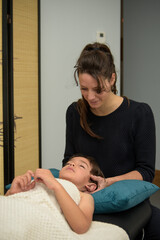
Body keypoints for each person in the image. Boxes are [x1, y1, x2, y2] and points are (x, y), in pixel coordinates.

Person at [63, 42, 160, 239]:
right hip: (84, 200)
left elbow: (146, 172)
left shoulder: (139, 114)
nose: (90, 97)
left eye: (98, 89)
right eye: (84, 89)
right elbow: (68, 159)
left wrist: (108, 182)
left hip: (124, 201)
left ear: (112, 78)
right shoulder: (75, 112)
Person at [5, 154, 104, 234]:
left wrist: (56, 186)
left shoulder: (84, 197)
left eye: (81, 166)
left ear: (90, 186)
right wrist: (12, 193)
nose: (71, 164)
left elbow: (81, 227)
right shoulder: (45, 180)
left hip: (32, 218)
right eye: (68, 163)